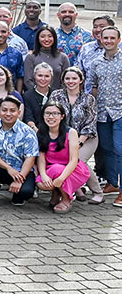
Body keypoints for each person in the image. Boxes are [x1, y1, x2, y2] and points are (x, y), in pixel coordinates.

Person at [48, 67, 102, 203]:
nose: (70, 81)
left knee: (78, 161)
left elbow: (91, 123)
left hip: (87, 137)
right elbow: (51, 114)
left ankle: (98, 193)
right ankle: (76, 190)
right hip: (63, 137)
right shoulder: (56, 95)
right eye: (67, 78)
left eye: (74, 78)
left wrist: (79, 142)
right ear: (63, 80)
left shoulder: (88, 98)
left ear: (81, 80)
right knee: (63, 162)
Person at [0, 96, 39, 209]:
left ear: (19, 112)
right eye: (4, 110)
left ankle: (17, 195)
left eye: (12, 110)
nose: (8, 114)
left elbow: (30, 158)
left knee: (26, 192)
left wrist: (19, 179)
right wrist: (8, 168)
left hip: (21, 170)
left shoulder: (28, 132)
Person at [34, 101, 87, 214]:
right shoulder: (41, 133)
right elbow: (41, 159)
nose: (51, 117)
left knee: (57, 169)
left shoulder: (71, 132)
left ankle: (66, 199)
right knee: (42, 184)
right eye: (47, 113)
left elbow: (73, 160)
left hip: (72, 169)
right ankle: (57, 191)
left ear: (62, 116)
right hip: (51, 169)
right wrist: (43, 175)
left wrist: (61, 178)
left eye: (55, 113)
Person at [90, 25, 122, 201]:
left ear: (118, 40)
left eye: (112, 38)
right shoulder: (96, 62)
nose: (108, 41)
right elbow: (93, 86)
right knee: (107, 149)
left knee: (120, 149)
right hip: (102, 112)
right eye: (105, 38)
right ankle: (112, 182)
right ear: (100, 39)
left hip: (120, 111)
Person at [23, 26, 70, 91]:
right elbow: (28, 81)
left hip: (58, 97)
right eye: (42, 36)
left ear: (54, 38)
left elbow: (66, 80)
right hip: (35, 97)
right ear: (38, 39)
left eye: (50, 36)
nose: (46, 39)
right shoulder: (31, 57)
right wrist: (39, 93)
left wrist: (56, 95)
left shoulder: (63, 57)